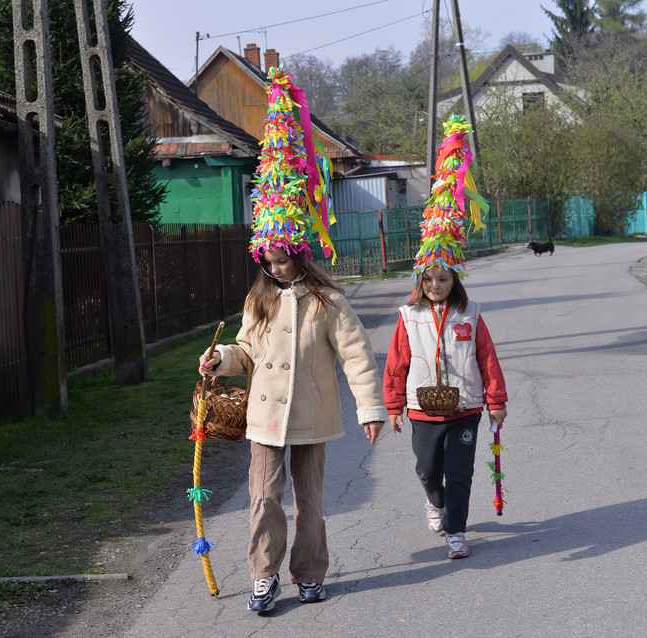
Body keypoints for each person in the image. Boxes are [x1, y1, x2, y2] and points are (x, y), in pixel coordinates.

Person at [198, 66, 387, 614]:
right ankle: (263, 573)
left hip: (311, 419)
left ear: (300, 253)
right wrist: (222, 359)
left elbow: (356, 355)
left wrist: (370, 408)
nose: (278, 268)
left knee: (310, 503)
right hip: (263, 419)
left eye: (285, 259)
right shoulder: (258, 300)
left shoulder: (328, 302)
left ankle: (309, 571)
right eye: (270, 260)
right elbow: (248, 351)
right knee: (263, 499)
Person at [382, 114, 507, 560]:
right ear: (421, 279)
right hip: (422, 408)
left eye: (445, 279)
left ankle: (457, 530)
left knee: (461, 471)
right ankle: (433, 501)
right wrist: (394, 405)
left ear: (455, 279)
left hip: (466, 405)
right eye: (430, 279)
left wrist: (497, 400)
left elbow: (487, 358)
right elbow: (396, 362)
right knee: (427, 469)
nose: (437, 286)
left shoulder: (470, 313)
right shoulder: (409, 314)